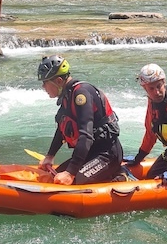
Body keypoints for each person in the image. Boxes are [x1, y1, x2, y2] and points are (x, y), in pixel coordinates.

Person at [38, 55, 123, 184]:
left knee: (70, 182)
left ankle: (120, 175)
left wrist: (70, 173)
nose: (43, 87)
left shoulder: (81, 94)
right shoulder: (67, 95)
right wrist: (50, 156)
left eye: (45, 83)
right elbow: (61, 130)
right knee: (52, 178)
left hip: (107, 155)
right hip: (90, 154)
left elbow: (86, 136)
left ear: (59, 81)